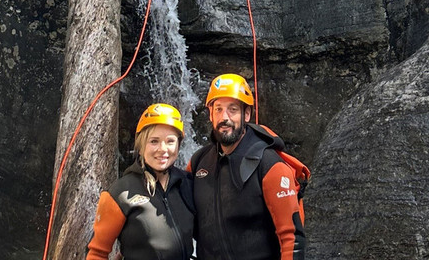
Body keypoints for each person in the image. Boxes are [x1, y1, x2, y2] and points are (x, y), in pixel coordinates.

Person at [188, 74, 305, 260]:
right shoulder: (198, 162)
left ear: (247, 114)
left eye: (232, 109)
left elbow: (292, 238)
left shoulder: (269, 164)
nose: (224, 117)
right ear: (210, 114)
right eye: (218, 109)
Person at [86, 103, 195, 260]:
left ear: (178, 145)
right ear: (141, 145)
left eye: (170, 141)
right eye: (154, 141)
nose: (163, 149)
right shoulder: (120, 194)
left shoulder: (186, 184)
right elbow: (97, 254)